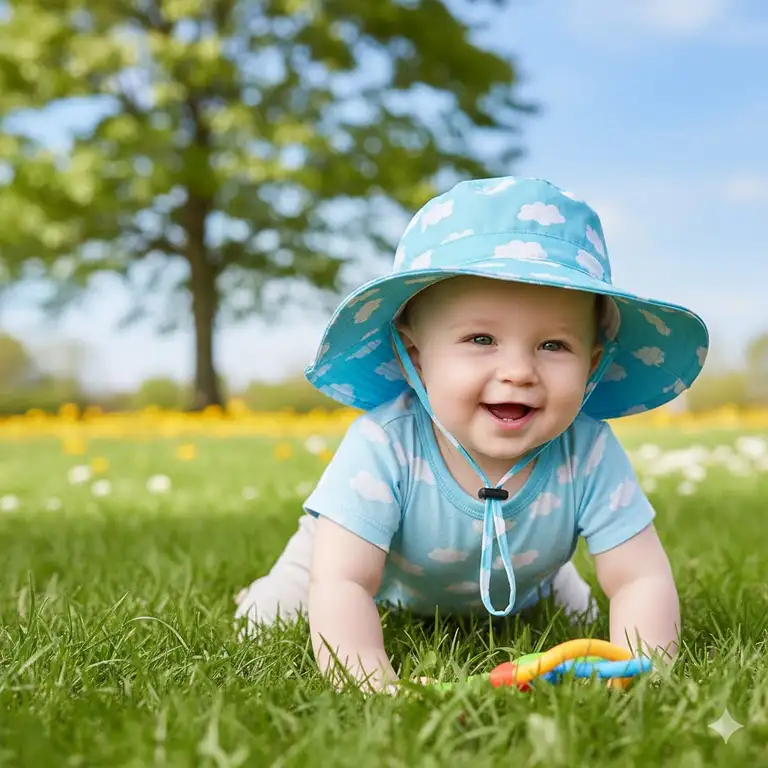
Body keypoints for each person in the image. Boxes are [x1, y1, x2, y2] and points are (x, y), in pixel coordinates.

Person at [234, 177, 709, 692]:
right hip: (360, 562)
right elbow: (344, 580)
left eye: (553, 345)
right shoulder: (386, 442)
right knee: (264, 622)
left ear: (593, 364)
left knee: (576, 613)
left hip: (527, 569)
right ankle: (255, 595)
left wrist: (645, 672)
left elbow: (640, 577)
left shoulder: (589, 449)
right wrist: (372, 683)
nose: (519, 371)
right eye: (481, 339)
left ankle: (549, 579)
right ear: (416, 357)